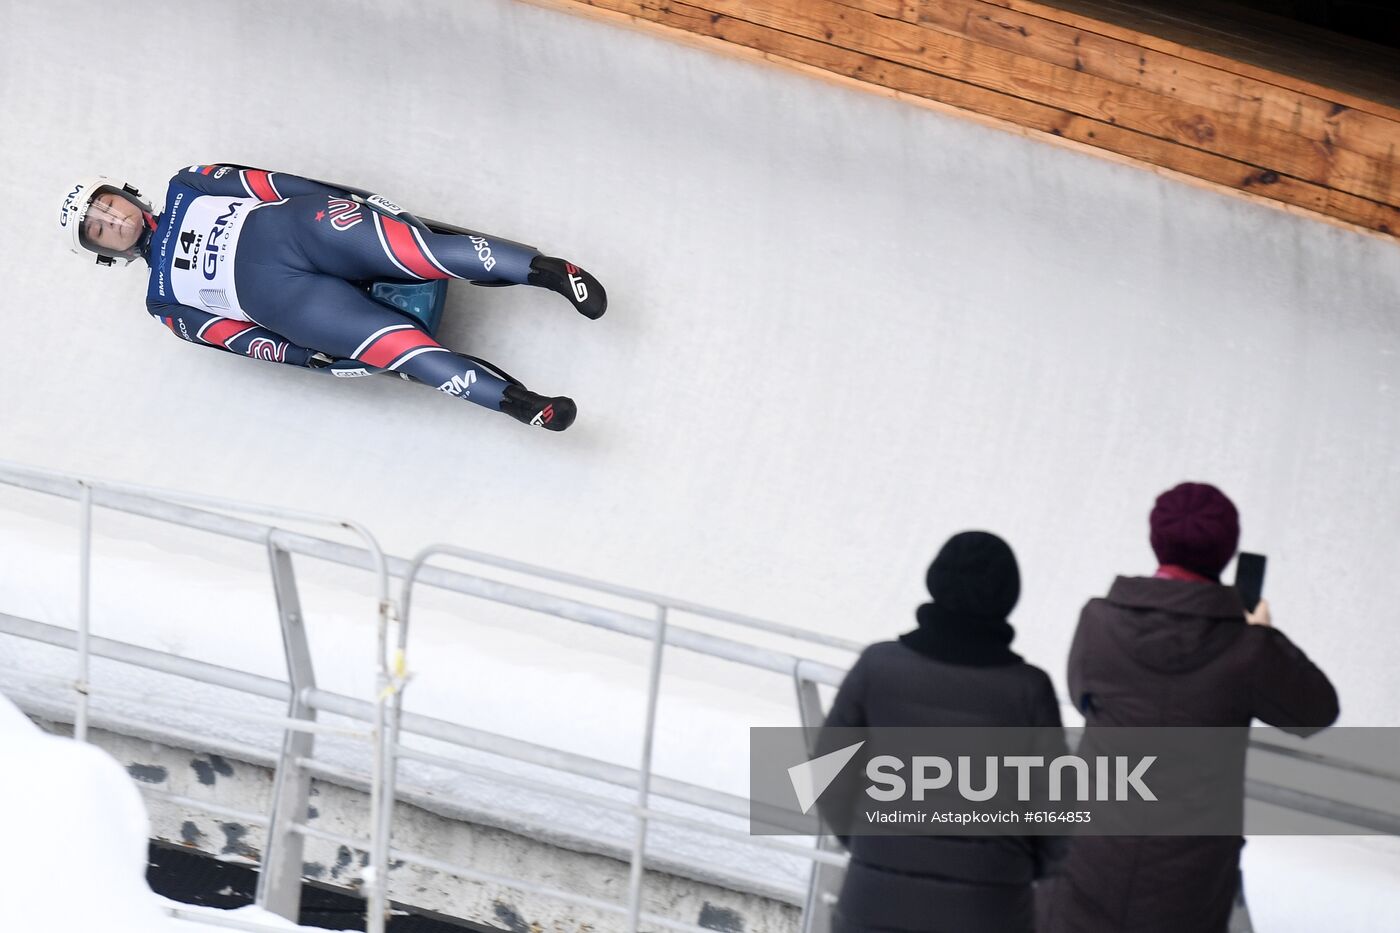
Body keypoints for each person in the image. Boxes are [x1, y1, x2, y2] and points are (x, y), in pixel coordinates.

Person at [58, 166, 608, 431]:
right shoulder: (164, 305)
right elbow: (241, 339)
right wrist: (311, 359)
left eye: (107, 206)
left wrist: (348, 201)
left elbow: (268, 185)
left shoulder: (191, 183)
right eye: (100, 230)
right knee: (403, 354)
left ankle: (550, 272)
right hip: (292, 303)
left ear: (124, 193)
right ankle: (523, 405)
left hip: (303, 229)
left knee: (419, 253)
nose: (112, 220)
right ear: (107, 253)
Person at [1046, 482, 1339, 933]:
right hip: (1190, 882)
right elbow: (1316, 711)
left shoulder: (1099, 622)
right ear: (1227, 550)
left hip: (1093, 855)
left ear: (1156, 540)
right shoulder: (1248, 650)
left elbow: (1084, 696)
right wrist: (1263, 635)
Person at [821, 531, 1065, 933]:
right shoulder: (1028, 689)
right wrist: (1017, 867)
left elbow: (824, 774)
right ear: (1008, 596)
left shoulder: (877, 666)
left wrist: (868, 842)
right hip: (990, 908)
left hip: (874, 903)